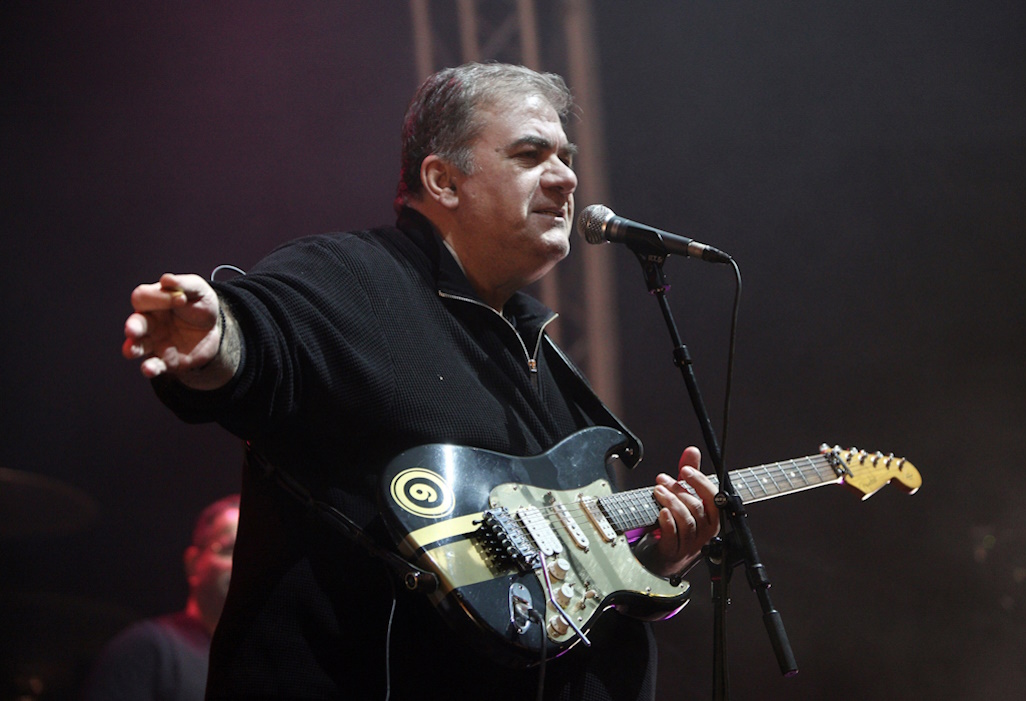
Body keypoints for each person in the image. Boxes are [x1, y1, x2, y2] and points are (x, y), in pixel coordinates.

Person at [122, 62, 718, 700]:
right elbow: (263, 340)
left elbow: (570, 588)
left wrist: (651, 561)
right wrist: (216, 340)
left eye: (566, 157)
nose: (567, 177)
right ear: (443, 180)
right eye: (531, 154)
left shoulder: (545, 358)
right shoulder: (355, 277)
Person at [83, 494, 240, 701]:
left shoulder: (264, 663)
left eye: (253, 553)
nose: (243, 563)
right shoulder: (144, 649)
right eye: (230, 549)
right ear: (193, 563)